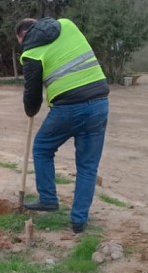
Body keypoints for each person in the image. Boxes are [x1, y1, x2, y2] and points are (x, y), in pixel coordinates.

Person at [15, 17, 109, 234]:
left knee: (41, 148)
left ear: (22, 36)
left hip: (69, 107)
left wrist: (30, 110)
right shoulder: (68, 24)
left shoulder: (30, 53)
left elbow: (32, 97)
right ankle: (78, 222)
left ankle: (48, 199)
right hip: (100, 103)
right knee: (87, 166)